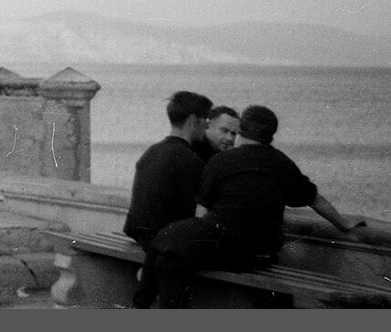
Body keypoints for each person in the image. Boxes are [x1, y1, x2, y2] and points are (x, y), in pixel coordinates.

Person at [151, 104, 368, 308]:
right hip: (262, 250)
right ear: (271, 137)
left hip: (228, 249)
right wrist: (343, 224)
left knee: (169, 250)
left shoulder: (220, 161)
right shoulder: (280, 161)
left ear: (240, 130)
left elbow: (202, 213)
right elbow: (313, 198)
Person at [123, 90, 212, 308]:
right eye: (206, 120)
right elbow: (191, 216)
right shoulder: (190, 161)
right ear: (192, 120)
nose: (207, 126)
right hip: (161, 244)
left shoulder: (152, 152)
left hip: (142, 234)